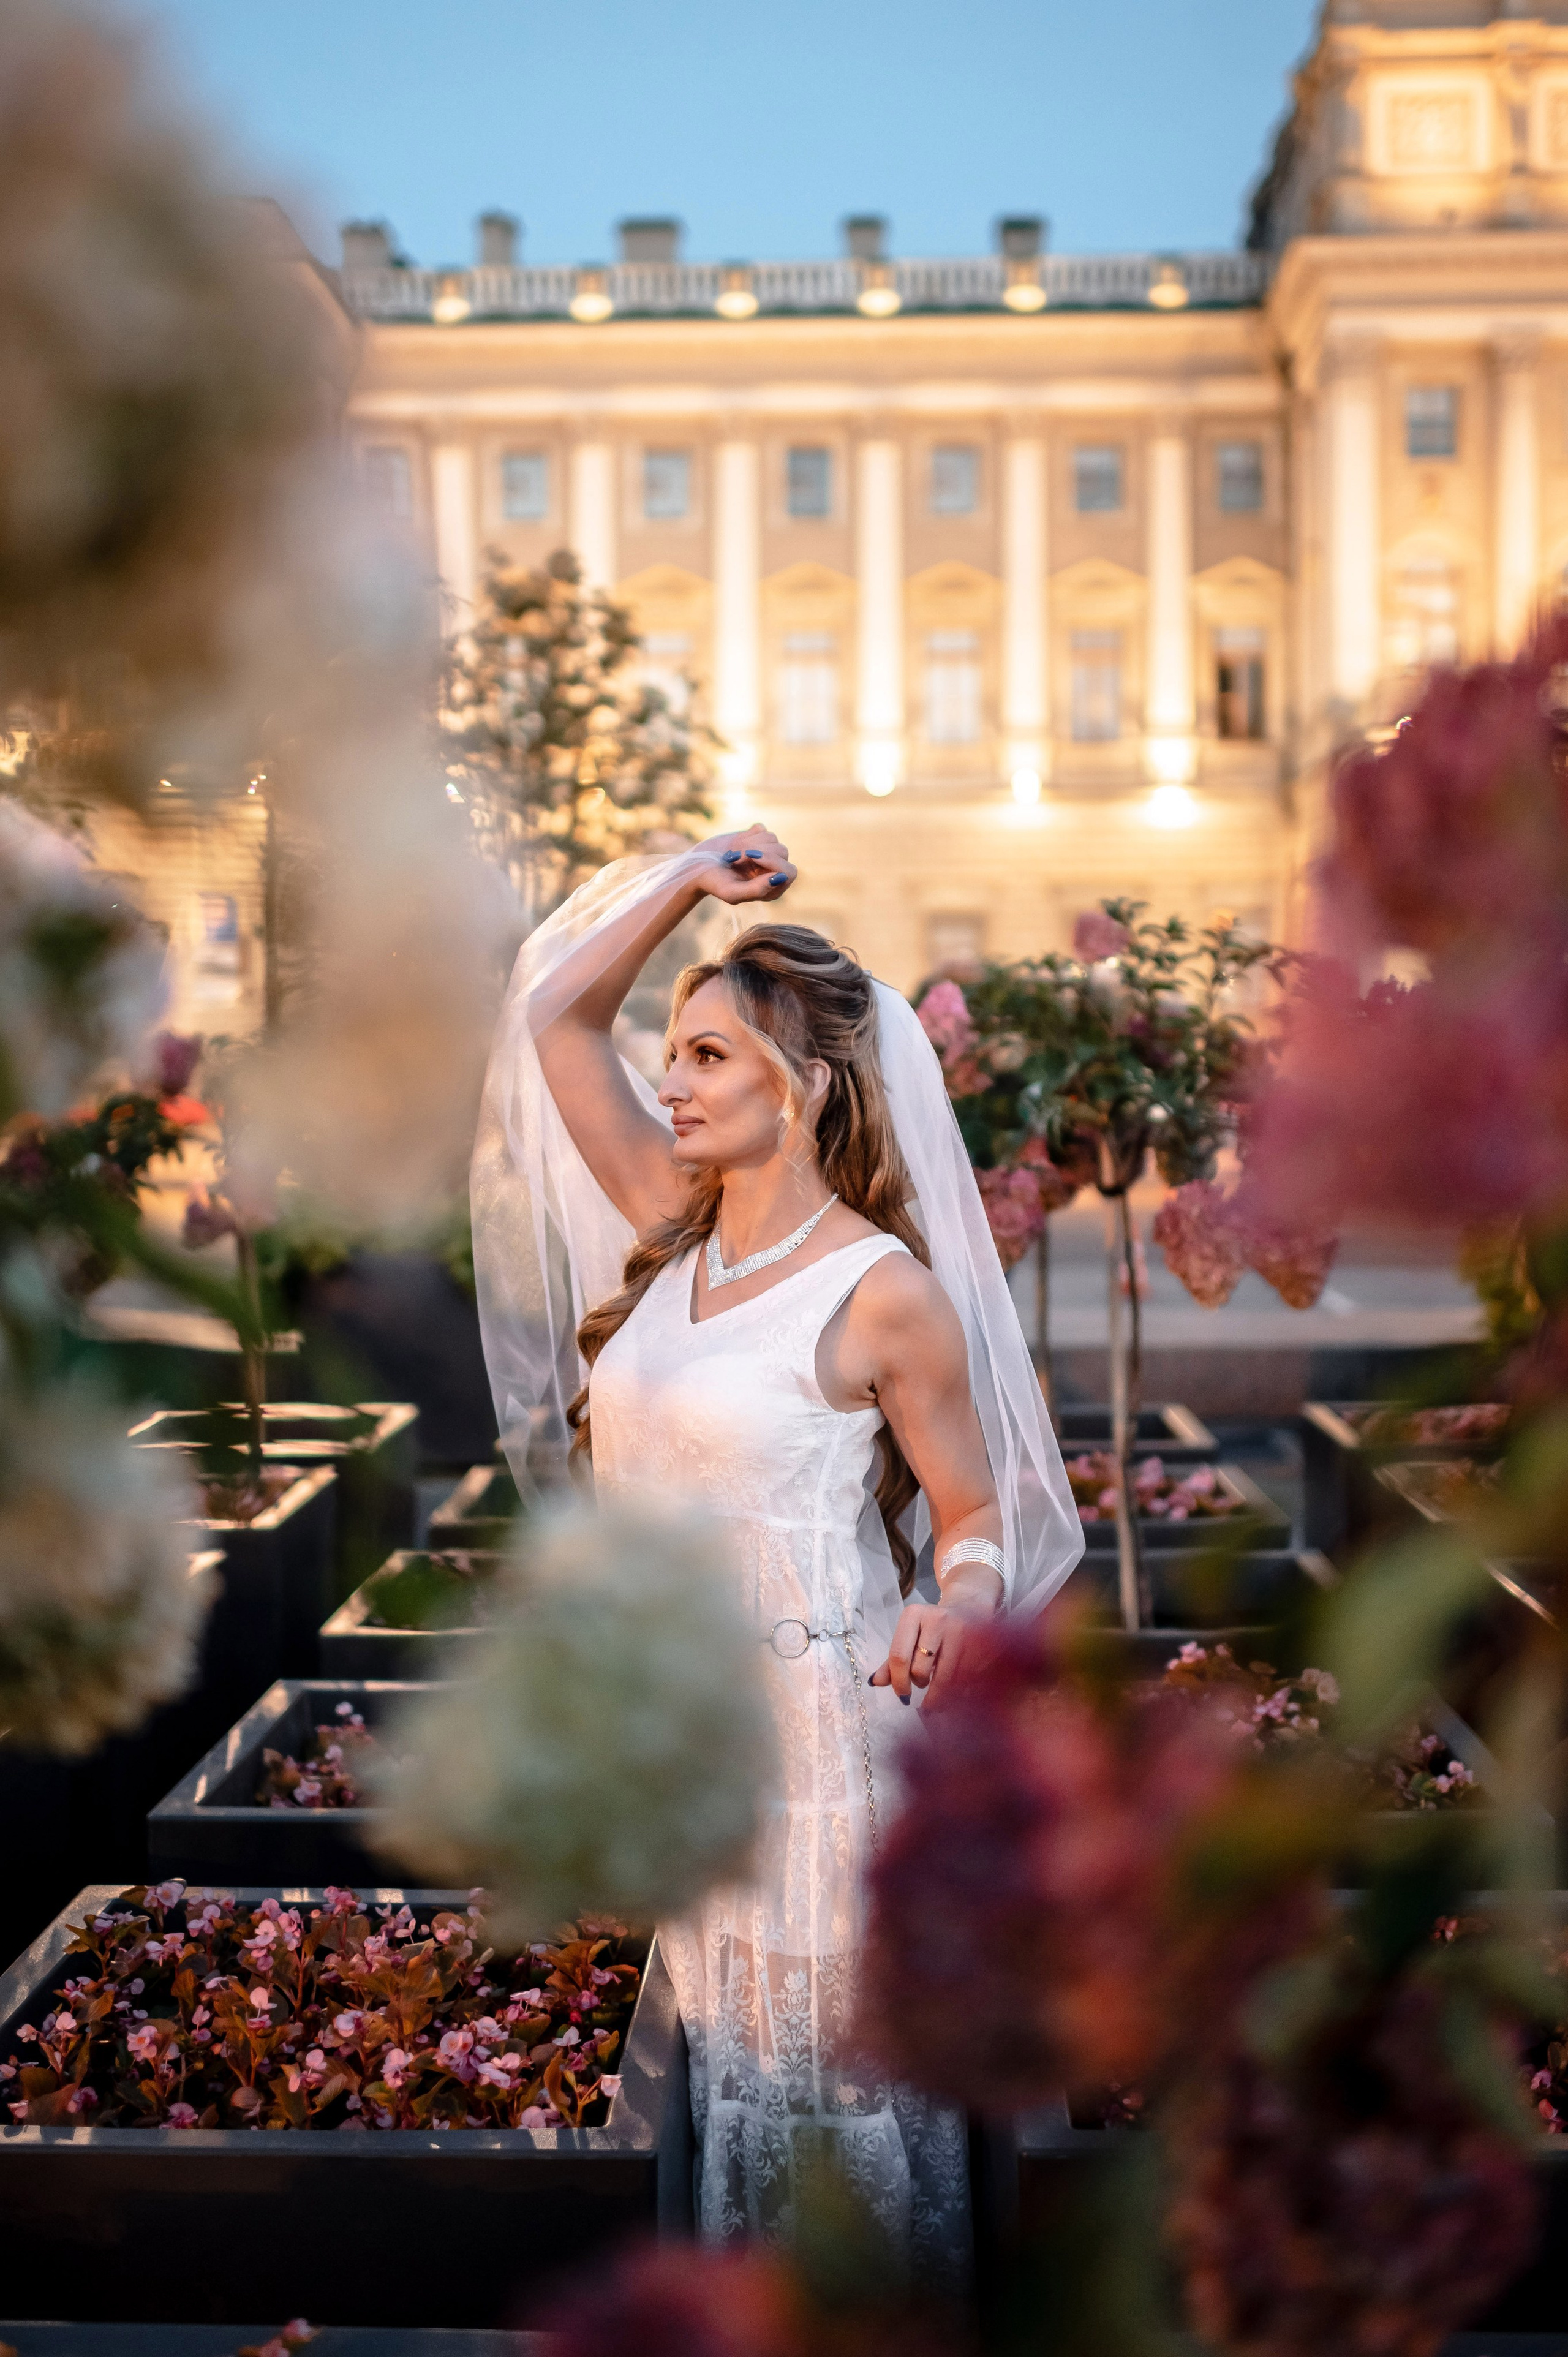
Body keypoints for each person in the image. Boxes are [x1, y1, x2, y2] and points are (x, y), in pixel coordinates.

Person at [471, 823, 1082, 2277]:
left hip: (821, 1747)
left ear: (800, 1090)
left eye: (706, 1059)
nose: (669, 1084)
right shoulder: (666, 1228)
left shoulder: (885, 1296)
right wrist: (685, 881)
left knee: (822, 2089)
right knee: (712, 2084)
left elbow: (976, 1509)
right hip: (674, 1726)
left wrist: (959, 1597)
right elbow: (553, 1008)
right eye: (672, 1054)